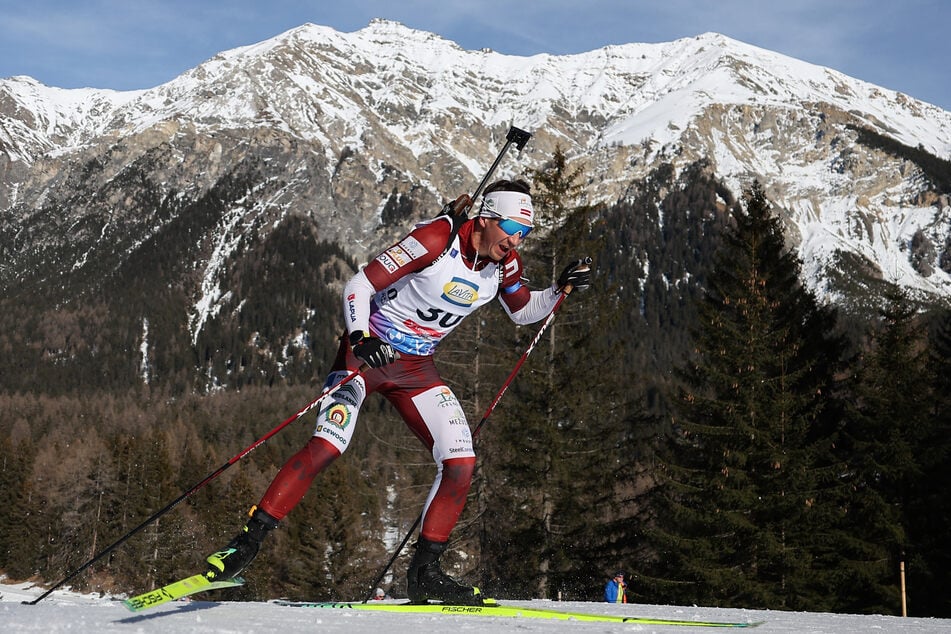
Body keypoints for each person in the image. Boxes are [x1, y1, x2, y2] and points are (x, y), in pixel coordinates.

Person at [204, 179, 592, 606]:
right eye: (511, 228)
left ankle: (425, 574)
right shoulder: (435, 239)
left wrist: (559, 289)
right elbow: (359, 284)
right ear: (485, 218)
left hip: (416, 369)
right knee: (327, 446)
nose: (516, 240)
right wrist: (360, 336)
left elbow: (522, 312)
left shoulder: (504, 264)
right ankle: (243, 546)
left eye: (525, 233)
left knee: (460, 462)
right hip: (366, 356)